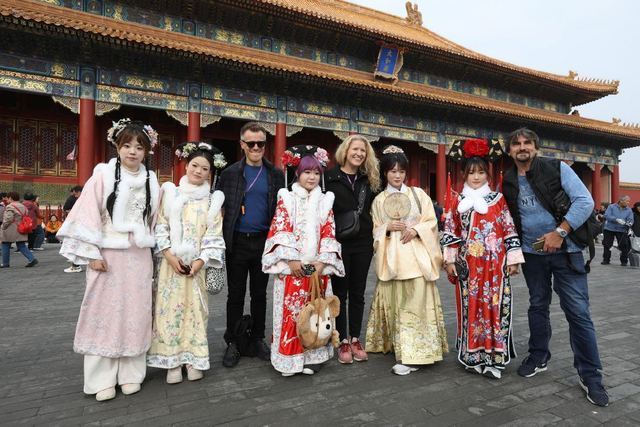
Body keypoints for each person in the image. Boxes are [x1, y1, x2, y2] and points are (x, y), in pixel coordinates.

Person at [502, 127, 609, 407]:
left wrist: (559, 233)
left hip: (567, 251)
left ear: (536, 147)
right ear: (509, 151)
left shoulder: (556, 168)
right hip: (532, 254)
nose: (522, 147)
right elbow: (507, 217)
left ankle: (590, 374)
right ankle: (538, 356)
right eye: (516, 144)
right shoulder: (508, 179)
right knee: (537, 305)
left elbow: (585, 201)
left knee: (578, 312)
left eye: (527, 143)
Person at [56, 119, 160, 401]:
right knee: (103, 313)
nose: (133, 152)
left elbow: (154, 221)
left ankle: (130, 374)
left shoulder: (152, 181)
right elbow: (87, 214)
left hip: (139, 256)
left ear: (147, 150)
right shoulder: (101, 176)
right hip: (108, 254)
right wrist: (91, 254)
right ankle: (101, 379)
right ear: (117, 147)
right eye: (127, 145)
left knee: (136, 312)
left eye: (139, 147)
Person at [441, 139, 524, 379]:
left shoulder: (498, 200)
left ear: (488, 174)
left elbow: (509, 228)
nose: (476, 177)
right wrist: (450, 260)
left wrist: (513, 259)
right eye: (471, 173)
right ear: (464, 175)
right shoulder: (457, 202)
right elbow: (451, 232)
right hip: (469, 267)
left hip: (495, 266)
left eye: (480, 172)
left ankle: (494, 358)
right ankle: (472, 357)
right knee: (471, 309)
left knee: (494, 308)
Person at [147, 142, 226, 384]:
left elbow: (214, 233)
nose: (198, 171)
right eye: (195, 165)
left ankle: (193, 359)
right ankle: (172, 361)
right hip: (170, 266)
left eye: (205, 168)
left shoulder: (212, 201)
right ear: (186, 165)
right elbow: (160, 226)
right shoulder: (171, 194)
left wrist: (201, 261)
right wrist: (170, 256)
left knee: (196, 312)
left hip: (196, 268)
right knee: (168, 311)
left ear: (210, 173)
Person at [262, 146, 344, 376]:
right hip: (293, 269)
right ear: (297, 173)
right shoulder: (287, 198)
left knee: (317, 313)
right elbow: (280, 228)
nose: (312, 177)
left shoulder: (325, 201)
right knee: (291, 313)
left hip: (317, 269)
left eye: (316, 173)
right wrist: (291, 260)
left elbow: (329, 231)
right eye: (307, 172)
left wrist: (323, 262)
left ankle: (313, 358)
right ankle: (289, 360)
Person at [365, 145, 447, 376]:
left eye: (401, 171)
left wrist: (417, 229)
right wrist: (387, 227)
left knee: (416, 303)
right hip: (393, 258)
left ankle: (416, 353)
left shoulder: (418, 195)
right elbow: (374, 230)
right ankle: (401, 345)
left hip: (417, 258)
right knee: (397, 304)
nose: (397, 175)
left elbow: (431, 222)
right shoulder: (379, 200)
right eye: (393, 171)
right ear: (385, 172)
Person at [217, 122, 285, 367]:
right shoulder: (229, 174)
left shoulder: (275, 174)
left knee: (259, 295)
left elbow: (282, 209)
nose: (256, 148)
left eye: (261, 143)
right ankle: (233, 341)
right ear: (242, 144)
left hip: (264, 242)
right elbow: (217, 207)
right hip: (237, 241)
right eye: (251, 143)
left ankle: (257, 338)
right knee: (235, 295)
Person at [324, 134, 380, 364]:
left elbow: (379, 209)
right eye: (355, 149)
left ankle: (355, 337)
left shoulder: (369, 180)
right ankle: (341, 340)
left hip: (363, 242)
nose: (359, 154)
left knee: (358, 292)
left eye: (363, 151)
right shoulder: (329, 178)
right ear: (345, 151)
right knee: (340, 293)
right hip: (339, 243)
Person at [1, 192, 38, 268]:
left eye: (7, 198)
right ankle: (32, 258)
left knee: (5, 244)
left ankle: (5, 263)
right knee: (21, 245)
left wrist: (3, 227)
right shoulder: (23, 206)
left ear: (10, 198)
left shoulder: (10, 207)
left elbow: (8, 219)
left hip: (10, 228)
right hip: (21, 227)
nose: (7, 200)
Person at [601, 195, 634, 266]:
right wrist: (616, 219)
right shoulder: (611, 207)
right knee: (607, 244)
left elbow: (631, 219)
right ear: (621, 201)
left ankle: (624, 261)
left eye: (628, 202)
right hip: (609, 228)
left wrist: (630, 223)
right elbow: (607, 215)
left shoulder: (629, 210)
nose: (628, 203)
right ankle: (606, 259)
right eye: (627, 201)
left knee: (624, 245)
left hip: (621, 229)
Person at [63, 185, 84, 273]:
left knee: (78, 244)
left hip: (83, 226)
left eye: (76, 194)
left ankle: (76, 265)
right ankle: (75, 264)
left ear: (79, 192)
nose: (75, 196)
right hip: (84, 226)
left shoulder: (84, 200)